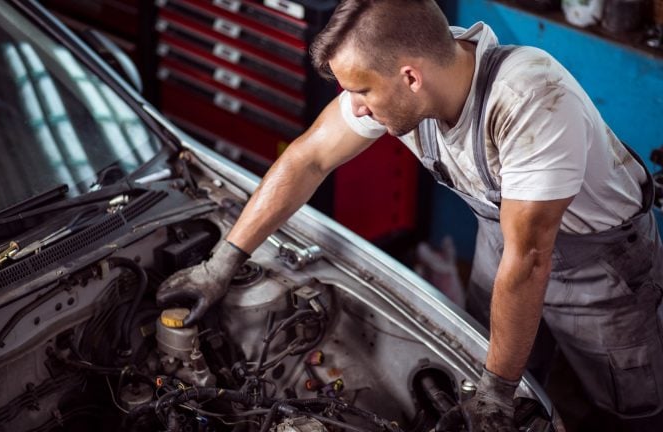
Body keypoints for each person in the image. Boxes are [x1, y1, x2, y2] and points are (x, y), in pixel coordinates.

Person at [156, 0, 663, 430]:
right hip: (504, 243)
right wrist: (219, 264)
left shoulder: (530, 98)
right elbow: (307, 158)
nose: (354, 107)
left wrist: (497, 390)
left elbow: (531, 258)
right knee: (488, 368)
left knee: (623, 409)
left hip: (603, 271)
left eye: (361, 90)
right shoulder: (406, 87)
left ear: (410, 76)